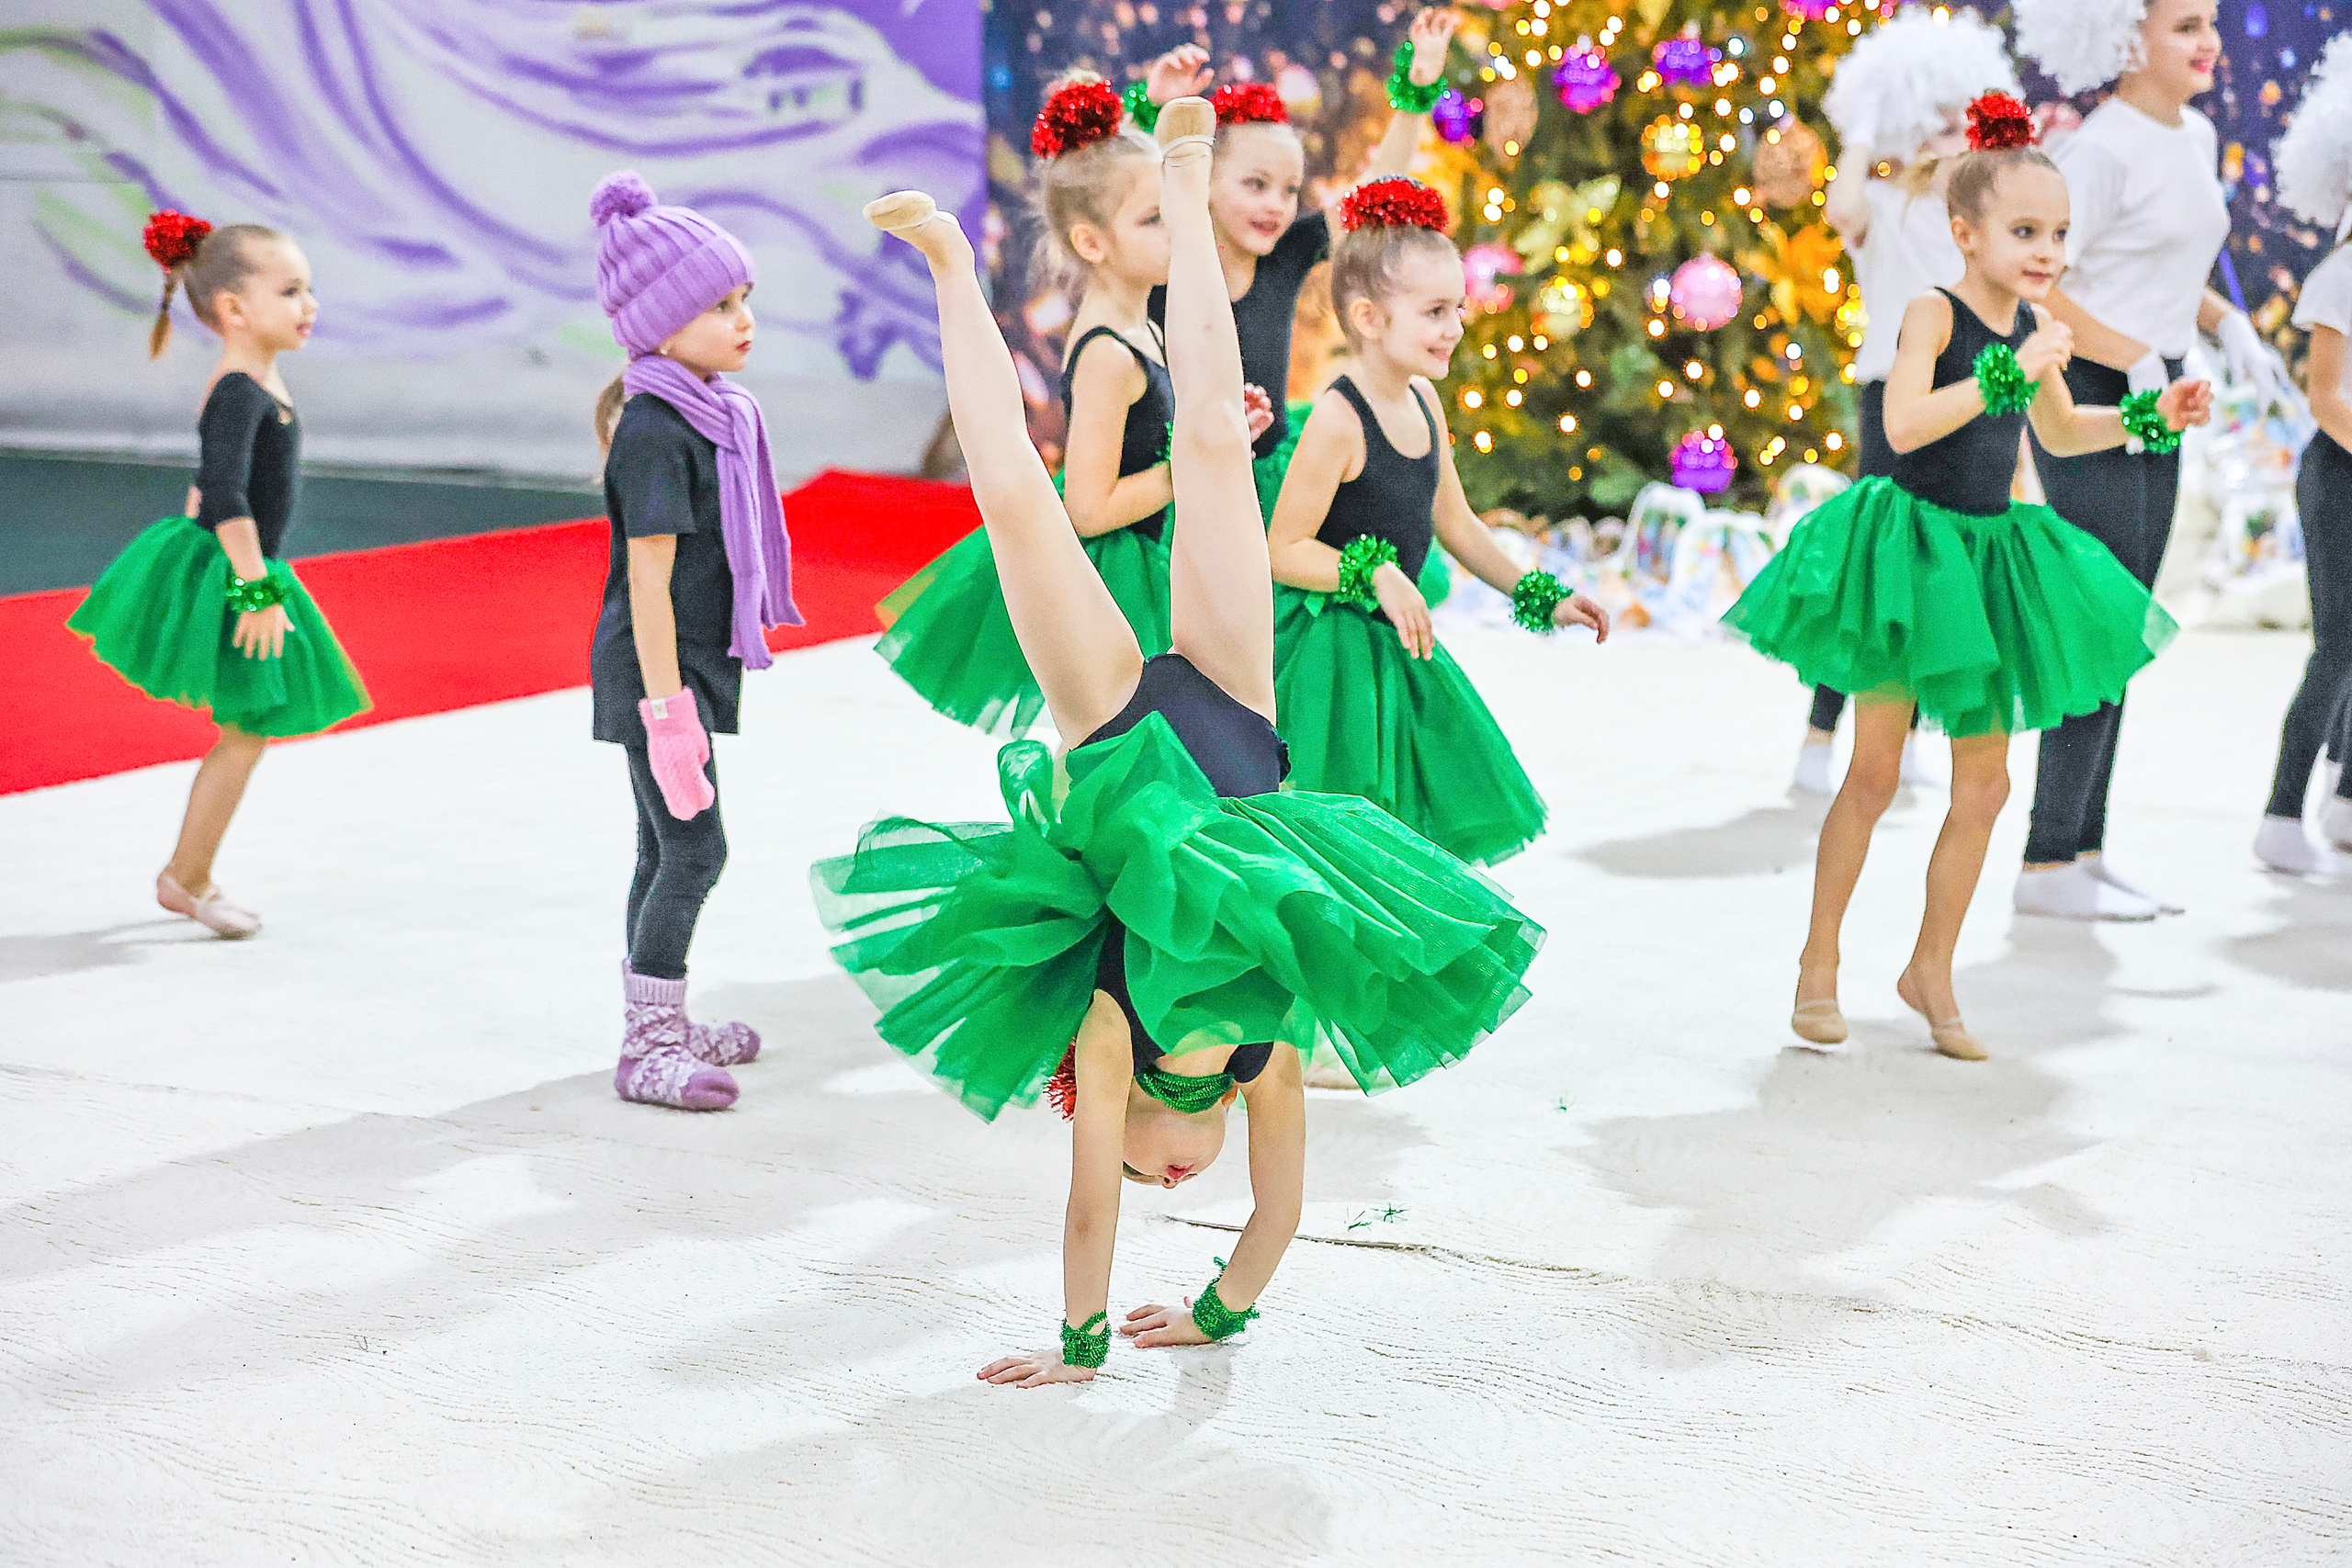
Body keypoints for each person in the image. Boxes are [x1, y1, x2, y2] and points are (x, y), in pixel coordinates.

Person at [817, 100, 1540, 1384]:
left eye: (1157, 1168)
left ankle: (940, 259)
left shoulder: (1107, 1039)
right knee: (1216, 436)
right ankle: (1189, 168)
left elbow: (1090, 1204)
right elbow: (1276, 1214)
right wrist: (1214, 1310)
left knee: (1015, 500)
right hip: (1236, 709)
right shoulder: (1267, 1051)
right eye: (1180, 1180)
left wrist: (1084, 1344)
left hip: (1113, 730)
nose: (1171, 1176)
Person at [1723, 95, 2210, 1059]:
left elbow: (2063, 430)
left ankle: (1928, 969)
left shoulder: (2034, 323)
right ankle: (1816, 965)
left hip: (1986, 559)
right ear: (1964, 232)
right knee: (1869, 776)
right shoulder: (1930, 312)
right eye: (2025, 231)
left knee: (1982, 788)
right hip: (1907, 555)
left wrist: (2153, 419)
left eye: (2059, 233)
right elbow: (1902, 426)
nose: (2047, 251)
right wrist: (2004, 372)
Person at [875, 72, 1269, 736]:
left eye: (1173, 220)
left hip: (1157, 562)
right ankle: (952, 269)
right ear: (1093, 244)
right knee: (1024, 482)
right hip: (1122, 572)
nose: (1167, 236)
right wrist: (1184, 475)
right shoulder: (1110, 353)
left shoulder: (1141, 327)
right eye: (1157, 221)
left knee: (1216, 428)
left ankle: (952, 266)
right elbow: (1087, 507)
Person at [2009, 0, 2273, 918]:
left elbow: (2162, 262)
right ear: (2126, 38)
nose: (2207, 43)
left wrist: (2221, 321)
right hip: (2093, 387)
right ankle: (2044, 861)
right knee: (2098, 622)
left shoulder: (2192, 135)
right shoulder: (2099, 150)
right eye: (2184, 27)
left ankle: (2083, 847)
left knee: (2129, 630)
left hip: (2156, 392)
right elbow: (2040, 280)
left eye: (2208, 24)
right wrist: (2127, 354)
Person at [1265, 177, 1608, 868]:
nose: (1454, 327)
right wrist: (1373, 571)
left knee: (1410, 846)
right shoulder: (1338, 418)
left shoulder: (1423, 399)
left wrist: (1541, 594)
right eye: (1433, 311)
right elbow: (1281, 548)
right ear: (1368, 318)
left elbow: (1457, 522)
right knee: (1344, 847)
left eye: (1457, 308)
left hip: (1400, 646)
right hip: (1332, 662)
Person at [67, 211, 370, 939]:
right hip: (238, 571)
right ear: (235, 308)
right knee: (247, 726)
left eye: (309, 289)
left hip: (241, 563)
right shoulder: (241, 388)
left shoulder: (255, 378)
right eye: (291, 290)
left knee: (249, 726)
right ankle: (188, 876)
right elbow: (228, 495)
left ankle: (189, 874)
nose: (311, 305)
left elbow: (213, 483)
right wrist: (254, 590)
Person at [585, 172, 802, 1111]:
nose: (742, 317)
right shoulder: (654, 428)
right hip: (656, 676)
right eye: (719, 304)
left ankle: (661, 1017)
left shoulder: (712, 414)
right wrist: (669, 714)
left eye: (745, 297)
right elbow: (647, 582)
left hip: (686, 669)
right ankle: (650, 1046)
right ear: (660, 323)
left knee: (659, 848)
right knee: (694, 850)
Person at [1139, 10, 1461, 607]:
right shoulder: (1164, 260)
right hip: (1187, 476)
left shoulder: (1284, 255)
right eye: (1256, 184)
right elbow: (1127, 191)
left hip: (1266, 473)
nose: (1277, 206)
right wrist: (1157, 117)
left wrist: (1416, 91)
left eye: (1290, 190)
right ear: (1203, 178)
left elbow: (1374, 186)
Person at [1795, 5, 2021, 797]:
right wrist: (1863, 123)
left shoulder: (1982, 228)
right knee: (1875, 566)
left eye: (1952, 120)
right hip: (1893, 397)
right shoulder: (1885, 206)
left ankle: (1908, 726)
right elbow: (1840, 209)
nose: (1938, 134)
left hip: (1969, 402)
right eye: (1923, 120)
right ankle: (1822, 736)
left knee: (1939, 571)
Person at [2257, 34, 2352, 874]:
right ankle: (2281, 813)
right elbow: (2326, 396)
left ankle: (2348, 802)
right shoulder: (2340, 275)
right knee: (2340, 645)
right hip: (2339, 477)